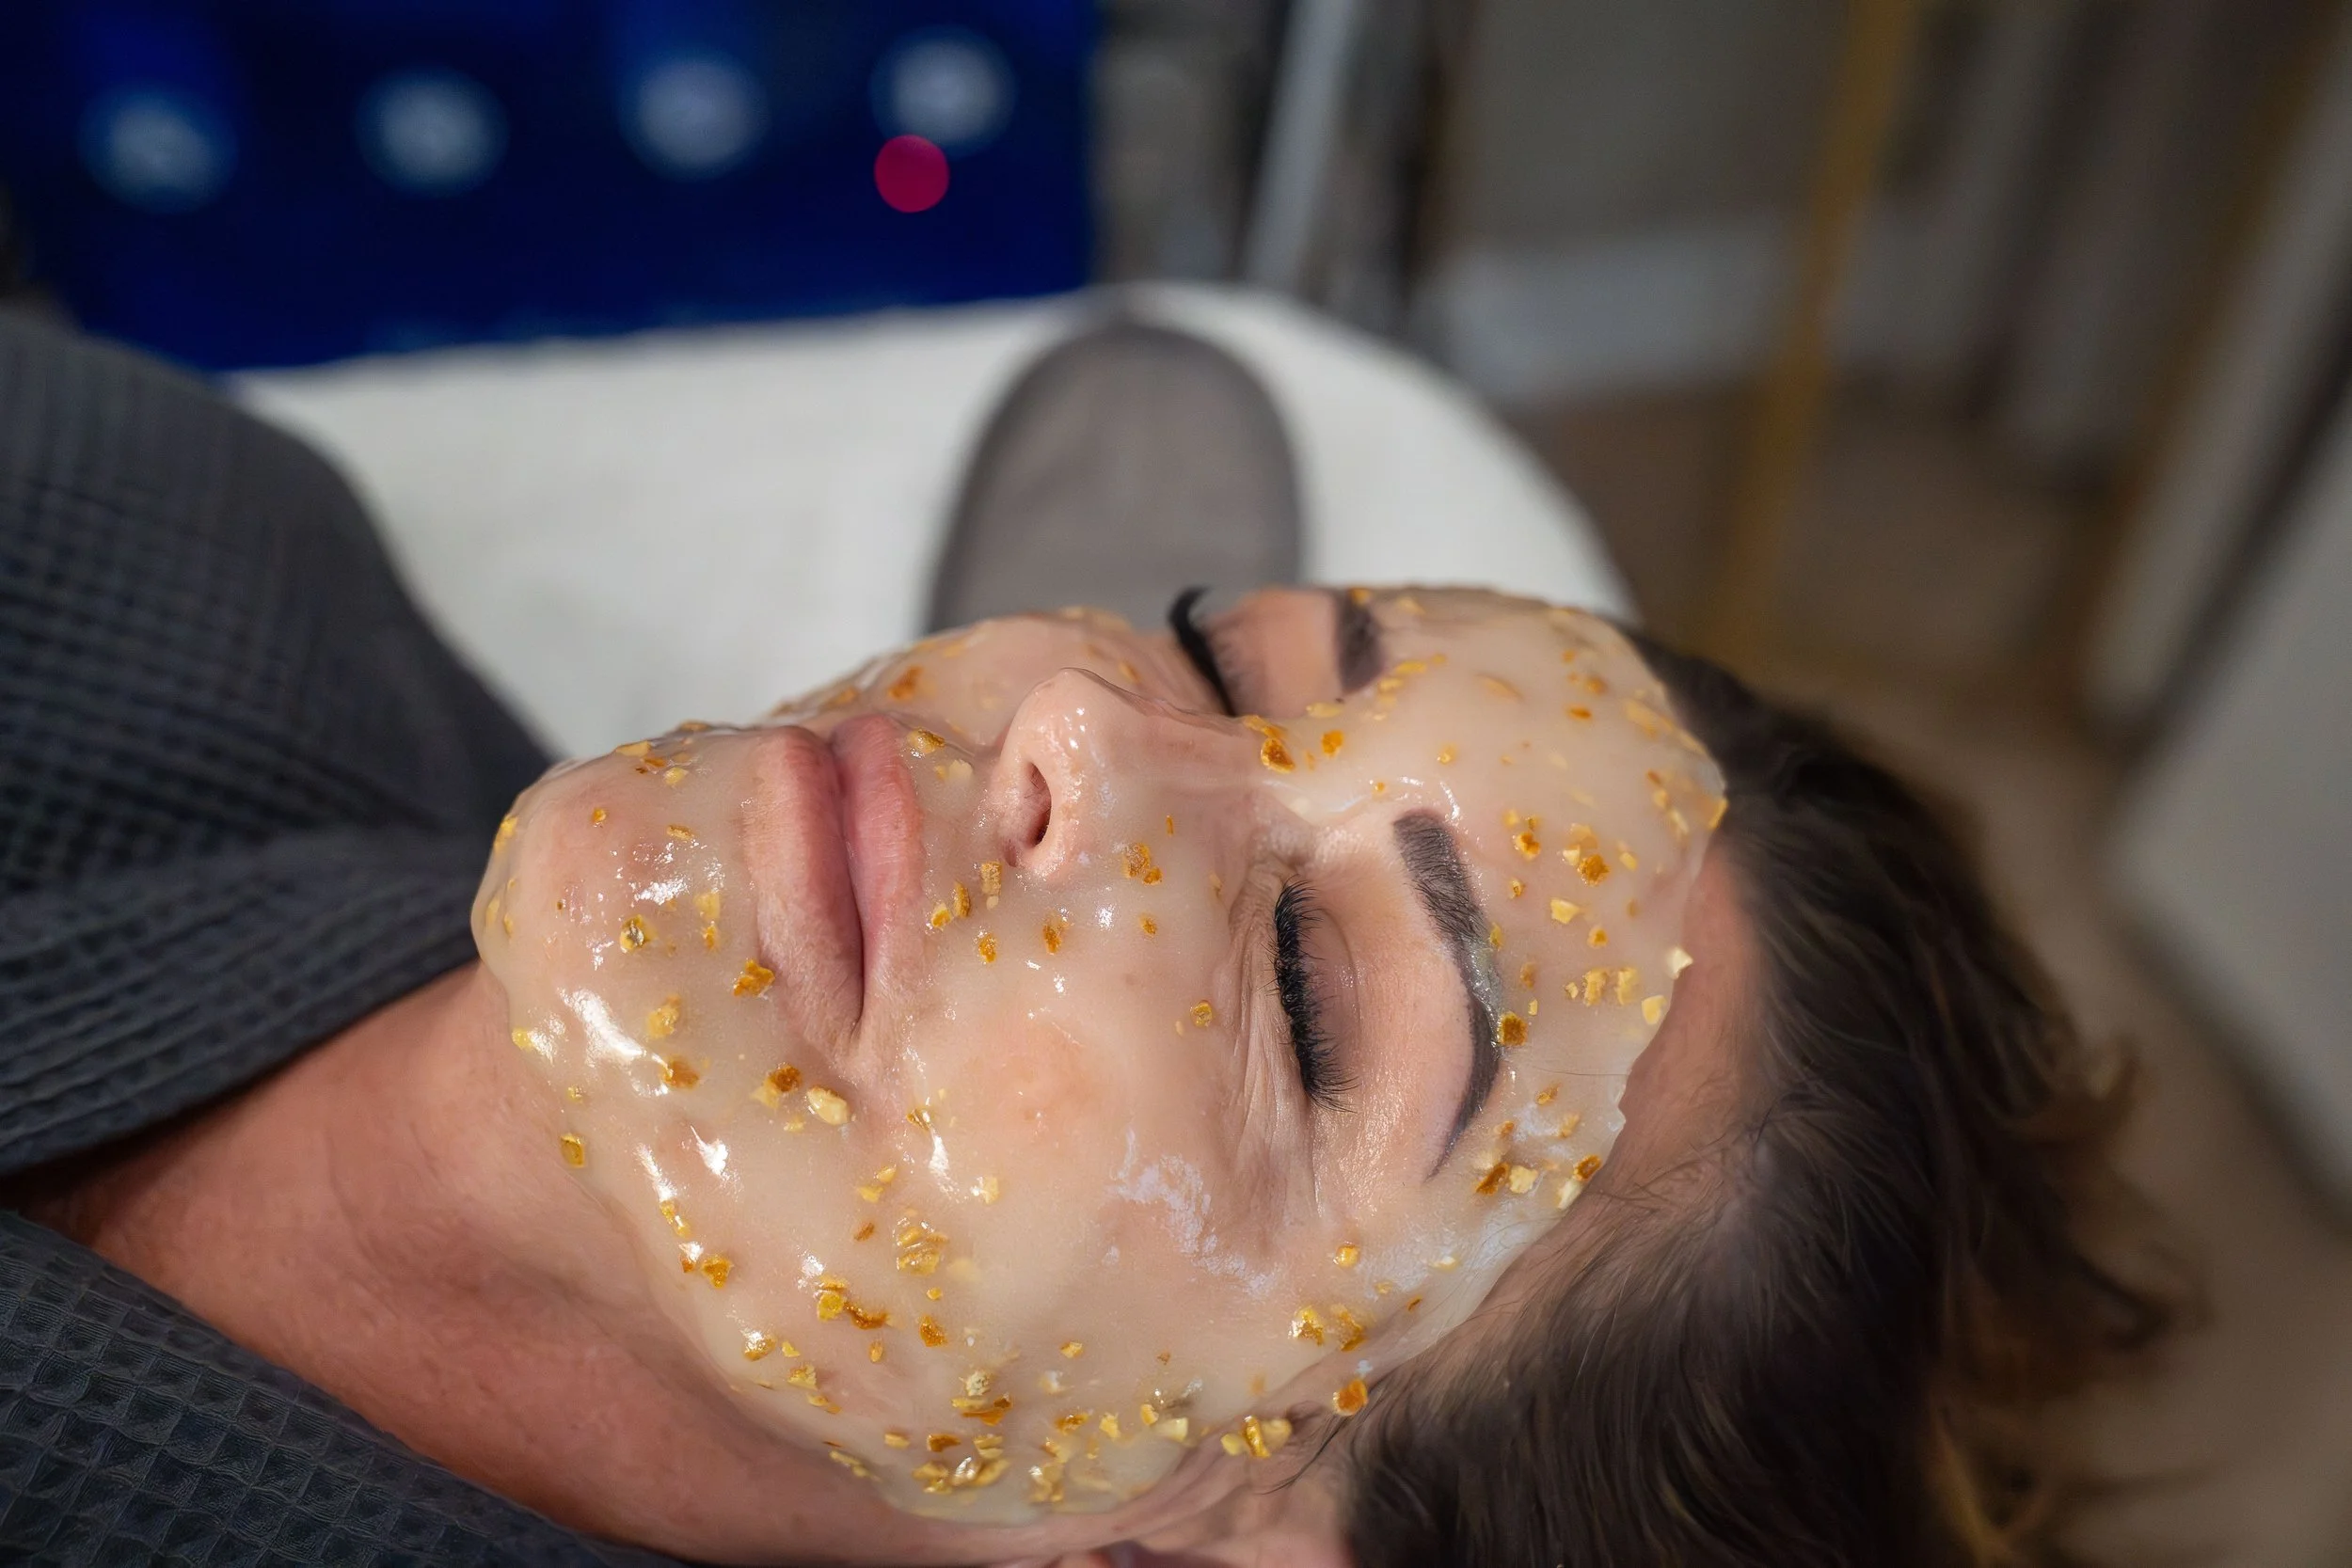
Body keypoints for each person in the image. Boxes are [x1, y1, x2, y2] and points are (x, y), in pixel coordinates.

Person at [0, 313, 2169, 1568]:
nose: (1074, 729)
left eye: (1317, 1003)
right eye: (1223, 658)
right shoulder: (172, 539)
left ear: (1208, 1533)